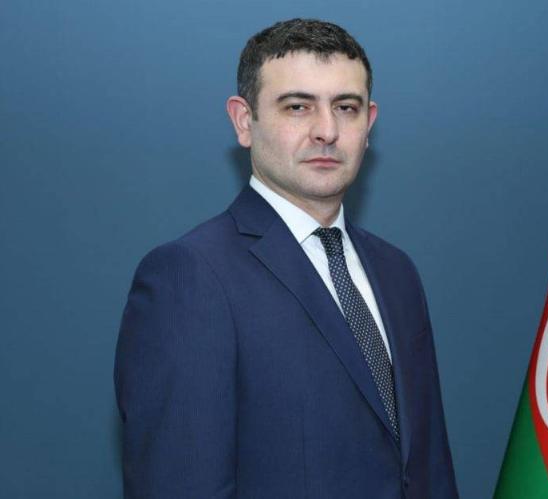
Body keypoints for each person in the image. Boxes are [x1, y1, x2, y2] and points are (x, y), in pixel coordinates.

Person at [114, 18, 458, 498]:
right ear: (243, 121)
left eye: (346, 107)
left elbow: (427, 468)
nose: (327, 131)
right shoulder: (189, 277)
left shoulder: (396, 271)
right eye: (298, 107)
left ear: (369, 123)